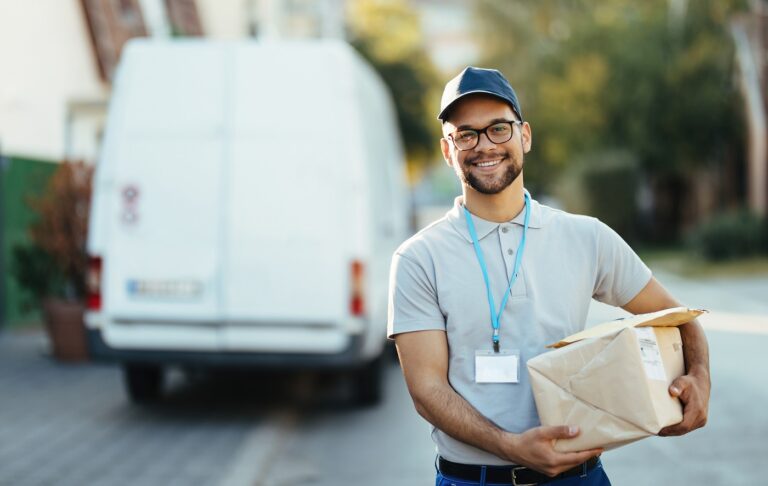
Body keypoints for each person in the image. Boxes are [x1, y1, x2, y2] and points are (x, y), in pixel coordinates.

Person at [387, 67, 710, 486]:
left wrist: (699, 376)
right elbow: (426, 389)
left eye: (498, 129)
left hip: (579, 477)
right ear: (448, 151)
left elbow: (678, 316)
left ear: (524, 136)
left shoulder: (586, 236)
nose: (484, 145)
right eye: (465, 134)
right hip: (473, 479)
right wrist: (509, 445)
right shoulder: (418, 258)